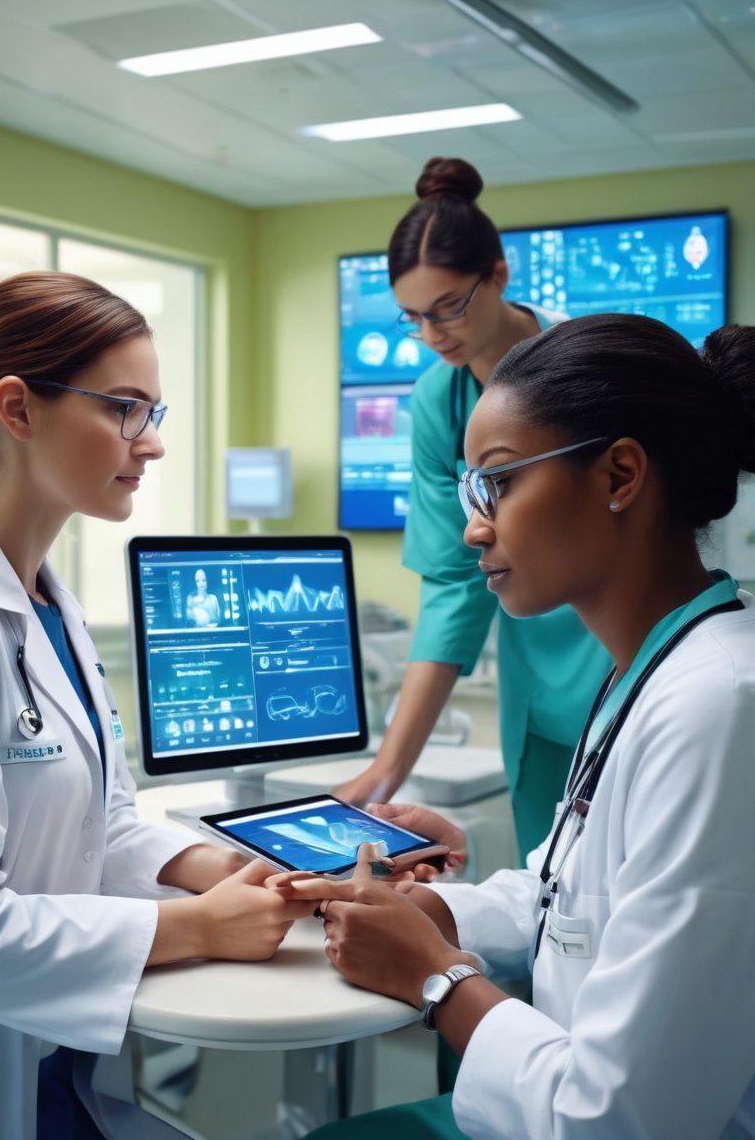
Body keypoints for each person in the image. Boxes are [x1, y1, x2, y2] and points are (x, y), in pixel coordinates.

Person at [280, 313, 755, 1139]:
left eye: (497, 483)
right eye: (470, 492)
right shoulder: (649, 672)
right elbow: (561, 897)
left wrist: (436, 980)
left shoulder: (716, 706)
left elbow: (622, 1118)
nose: (473, 527)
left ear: (619, 474)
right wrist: (432, 913)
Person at [0, 272, 312, 1140]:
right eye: (125, 410)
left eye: (155, 413)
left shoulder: (49, 605)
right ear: (18, 410)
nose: (152, 443)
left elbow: (110, 825)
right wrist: (195, 930)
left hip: (59, 1071)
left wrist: (222, 872)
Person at [339, 158, 611, 863]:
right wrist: (388, 767)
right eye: (415, 317)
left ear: (498, 273)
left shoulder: (596, 366)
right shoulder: (439, 401)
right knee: (551, 883)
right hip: (537, 674)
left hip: (627, 643)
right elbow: (456, 585)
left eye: (450, 306)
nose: (434, 333)